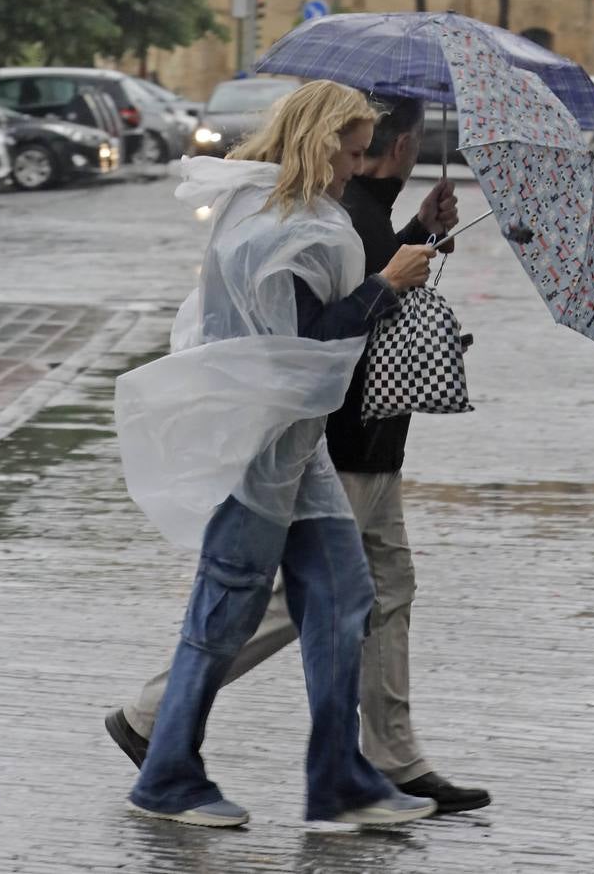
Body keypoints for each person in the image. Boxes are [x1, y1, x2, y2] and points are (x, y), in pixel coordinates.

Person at [108, 95, 491, 815]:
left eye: (366, 151)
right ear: (318, 142)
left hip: (298, 446)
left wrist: (401, 256)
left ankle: (341, 784)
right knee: (225, 612)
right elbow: (301, 341)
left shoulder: (300, 216)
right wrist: (385, 285)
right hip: (256, 446)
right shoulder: (275, 228)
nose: (358, 166)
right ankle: (166, 776)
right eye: (351, 151)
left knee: (344, 599)